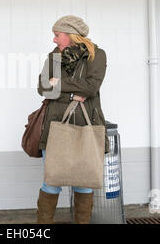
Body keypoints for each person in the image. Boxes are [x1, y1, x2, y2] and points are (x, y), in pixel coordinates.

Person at [36, 15, 109, 224]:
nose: (54, 40)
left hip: (87, 126)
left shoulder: (97, 55)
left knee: (84, 183)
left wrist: (58, 82)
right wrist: (71, 94)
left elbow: (91, 88)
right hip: (55, 127)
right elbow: (42, 88)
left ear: (70, 36)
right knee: (51, 182)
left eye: (57, 35)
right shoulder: (53, 58)